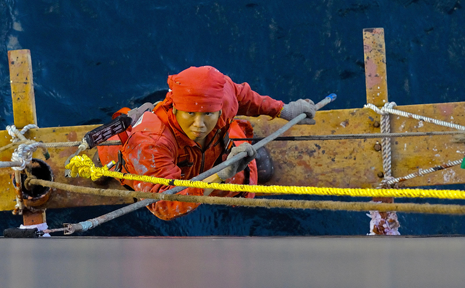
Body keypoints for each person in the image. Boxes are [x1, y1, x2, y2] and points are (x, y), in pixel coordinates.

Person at [98, 66, 316, 221]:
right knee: (119, 158)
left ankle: (230, 168)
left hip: (199, 156)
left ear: (219, 107)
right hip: (150, 162)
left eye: (208, 114)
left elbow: (244, 96)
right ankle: (101, 161)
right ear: (174, 108)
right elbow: (164, 205)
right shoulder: (152, 142)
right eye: (190, 114)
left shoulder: (223, 97)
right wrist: (220, 175)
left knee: (246, 168)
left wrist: (283, 110)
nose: (199, 125)